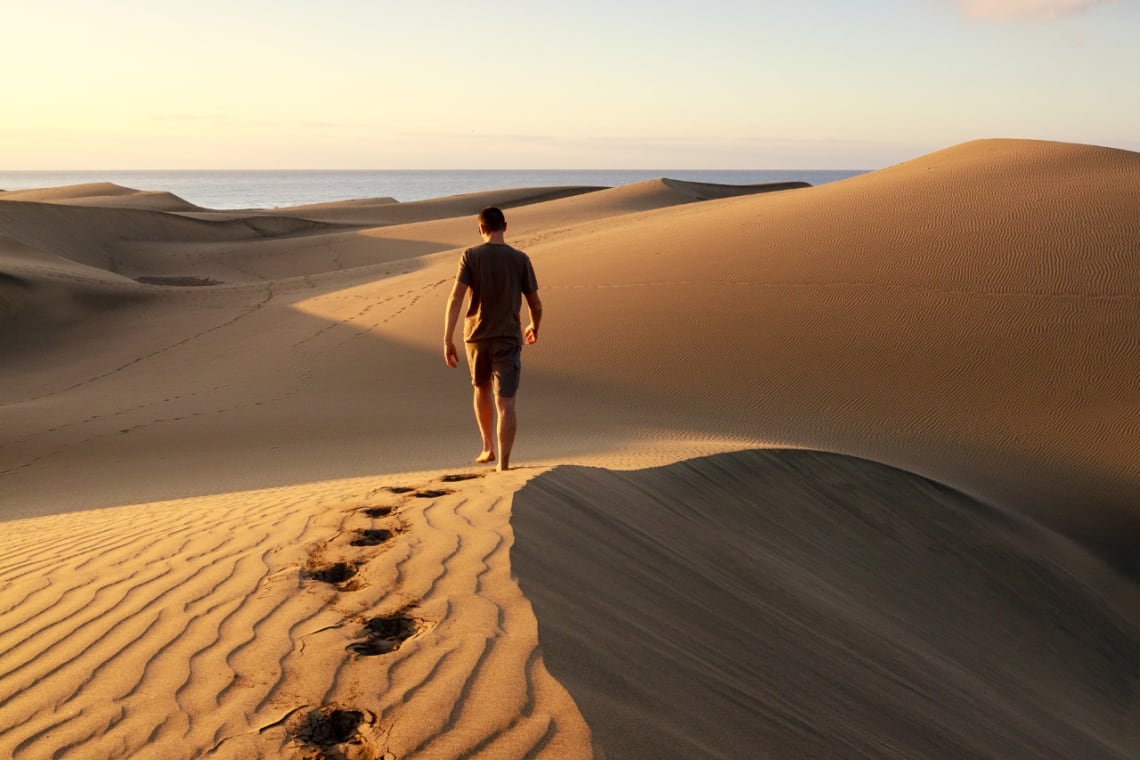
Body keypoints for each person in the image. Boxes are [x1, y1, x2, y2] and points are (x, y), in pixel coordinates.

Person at [444, 207, 542, 471]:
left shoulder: (470, 256)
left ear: (481, 229)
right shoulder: (520, 259)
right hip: (507, 338)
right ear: (505, 226)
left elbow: (455, 298)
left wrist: (447, 338)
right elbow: (535, 303)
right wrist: (535, 325)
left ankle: (487, 447)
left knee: (481, 389)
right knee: (506, 401)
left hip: (475, 336)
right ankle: (504, 463)